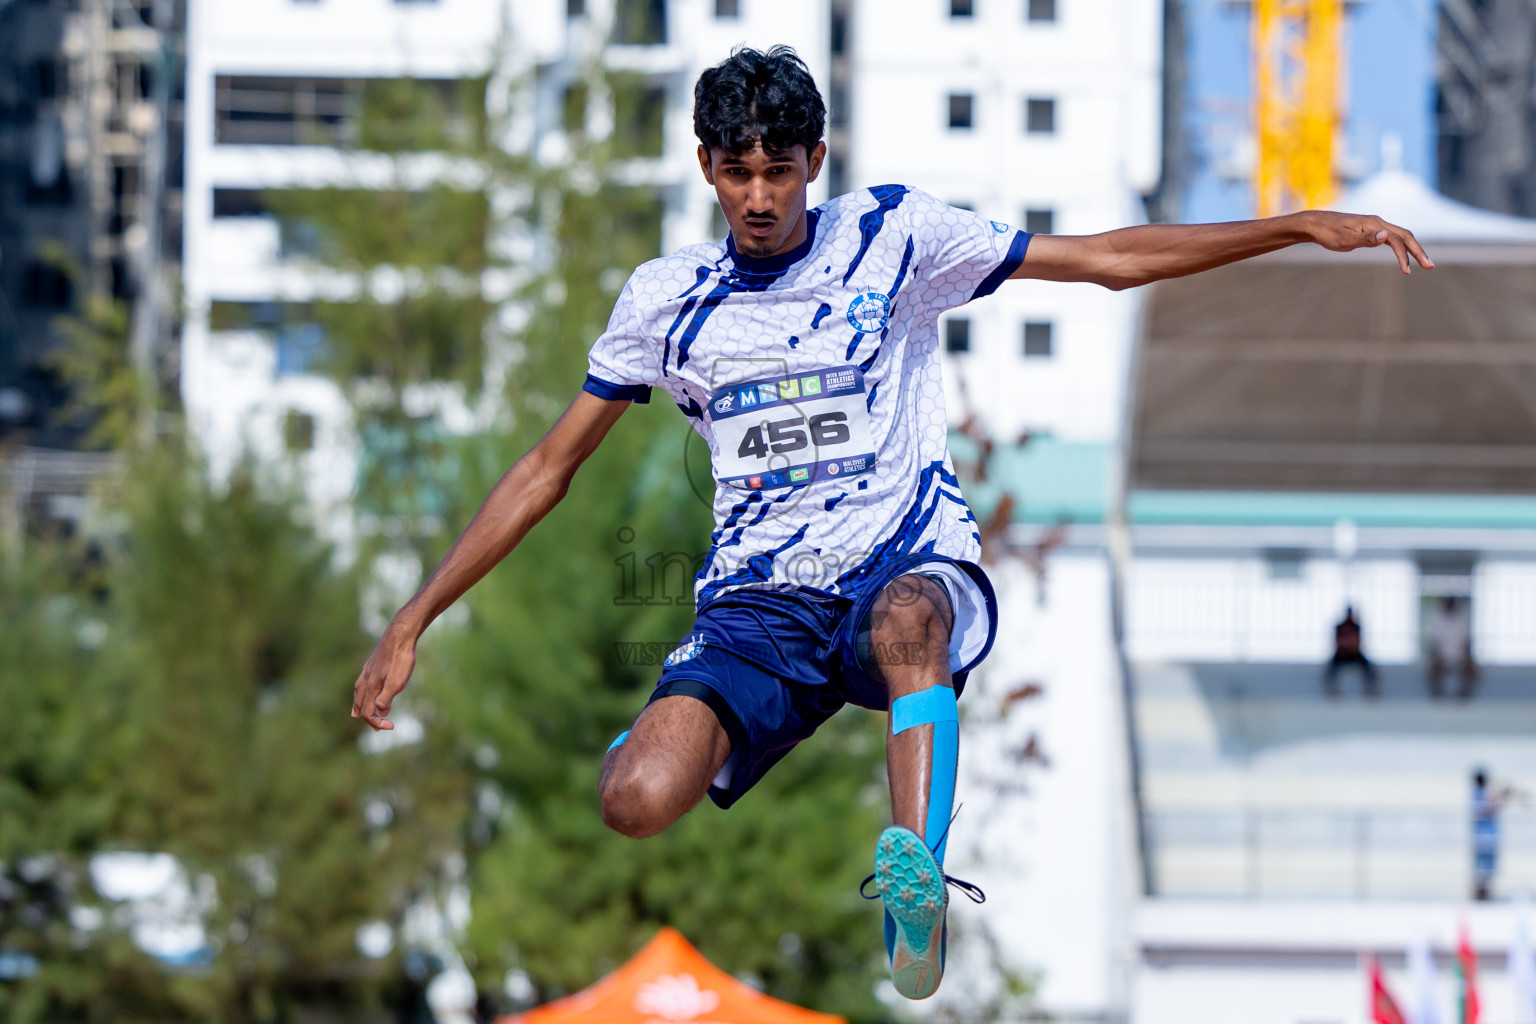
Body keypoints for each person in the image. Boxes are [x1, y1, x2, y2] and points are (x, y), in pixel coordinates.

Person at [350, 46, 1432, 1000]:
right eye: (739, 173)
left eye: (780, 170)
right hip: (759, 605)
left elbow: (1104, 259)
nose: (761, 196)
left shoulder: (897, 237)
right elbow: (547, 468)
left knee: (915, 618)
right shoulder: (666, 301)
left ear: (816, 161)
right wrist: (414, 617)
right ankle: (649, 736)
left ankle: (916, 873)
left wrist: (1290, 224)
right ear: (706, 169)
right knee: (635, 801)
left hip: (901, 562)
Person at [1471, 768, 1513, 901]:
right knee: (1481, 867)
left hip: (1489, 837)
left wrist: (1502, 797)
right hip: (1482, 837)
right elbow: (1486, 809)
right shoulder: (1477, 795)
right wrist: (1500, 796)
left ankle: (1486, 893)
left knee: (1488, 868)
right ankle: (1479, 894)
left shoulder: (1484, 793)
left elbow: (1494, 807)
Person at [1427, 595, 1477, 699]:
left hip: (1460, 656)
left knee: (1471, 668)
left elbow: (1467, 643)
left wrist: (1464, 657)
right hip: (1441, 657)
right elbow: (1433, 643)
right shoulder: (1437, 619)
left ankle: (1464, 695)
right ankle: (1437, 695)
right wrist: (1438, 656)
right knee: (1433, 667)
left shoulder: (1462, 620)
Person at [1324, 606, 1378, 697]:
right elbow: (1338, 642)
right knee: (1331, 669)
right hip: (1341, 655)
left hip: (1355, 654)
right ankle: (1332, 691)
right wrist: (1348, 644)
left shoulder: (1356, 627)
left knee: (1368, 667)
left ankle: (1371, 690)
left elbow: (1357, 642)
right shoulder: (1340, 627)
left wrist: (1349, 644)